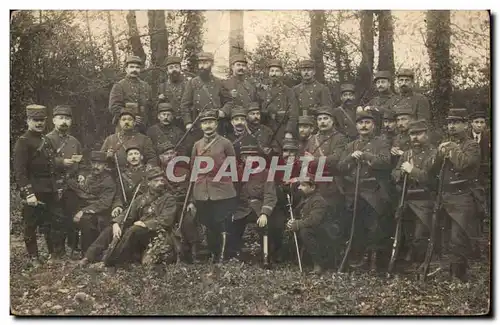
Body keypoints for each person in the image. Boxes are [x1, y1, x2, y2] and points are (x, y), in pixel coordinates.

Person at [81, 167, 178, 267]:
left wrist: (145, 224)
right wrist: (116, 223)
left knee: (133, 229)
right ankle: (88, 257)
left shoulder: (169, 199)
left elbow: (166, 219)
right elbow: (128, 214)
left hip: (157, 234)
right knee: (111, 229)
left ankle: (108, 262)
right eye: (156, 181)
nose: (160, 183)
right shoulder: (141, 198)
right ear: (149, 183)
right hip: (139, 234)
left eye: (162, 181)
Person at [337, 109, 392, 272]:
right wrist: (351, 157)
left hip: (373, 191)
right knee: (356, 227)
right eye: (361, 123)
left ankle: (374, 262)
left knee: (375, 227)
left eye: (368, 123)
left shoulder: (381, 143)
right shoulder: (350, 145)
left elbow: (385, 163)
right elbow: (340, 167)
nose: (364, 126)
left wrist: (367, 156)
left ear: (374, 126)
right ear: (356, 126)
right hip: (354, 191)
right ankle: (357, 260)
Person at [429, 108, 480, 281]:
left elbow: (463, 165)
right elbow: (432, 170)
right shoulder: (445, 144)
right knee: (446, 236)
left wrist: (452, 149)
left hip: (463, 196)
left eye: (456, 122)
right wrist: (438, 153)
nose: (452, 126)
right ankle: (450, 271)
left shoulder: (472, 145)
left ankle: (458, 275)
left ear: (465, 125)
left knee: (459, 236)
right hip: (445, 196)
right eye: (450, 122)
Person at [14, 104, 65, 265]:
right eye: (35, 120)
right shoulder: (23, 142)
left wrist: (55, 187)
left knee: (50, 223)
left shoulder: (46, 140)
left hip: (48, 189)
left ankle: (53, 255)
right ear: (28, 121)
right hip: (33, 190)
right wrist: (28, 193)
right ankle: (33, 256)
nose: (39, 124)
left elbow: (51, 166)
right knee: (31, 224)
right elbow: (20, 171)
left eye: (42, 120)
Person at [188, 109, 238, 262]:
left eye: (210, 122)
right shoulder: (197, 145)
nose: (208, 126)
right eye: (204, 123)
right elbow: (193, 168)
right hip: (202, 190)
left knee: (222, 223)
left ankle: (223, 255)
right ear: (201, 126)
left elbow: (233, 166)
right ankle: (211, 252)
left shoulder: (225, 143)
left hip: (222, 189)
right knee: (208, 223)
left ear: (216, 124)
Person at [391, 119, 438, 268]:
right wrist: (400, 173)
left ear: (427, 134)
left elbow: (431, 179)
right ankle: (409, 262)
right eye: (412, 134)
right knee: (407, 233)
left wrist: (412, 171)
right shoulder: (406, 154)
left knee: (420, 235)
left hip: (425, 200)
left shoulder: (434, 154)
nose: (415, 137)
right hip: (407, 199)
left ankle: (421, 263)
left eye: (419, 133)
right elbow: (394, 173)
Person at [230, 141, 281, 267]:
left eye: (252, 156)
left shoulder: (266, 173)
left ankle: (267, 255)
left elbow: (270, 195)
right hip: (242, 208)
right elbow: (232, 192)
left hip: (259, 208)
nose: (248, 159)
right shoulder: (239, 173)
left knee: (268, 225)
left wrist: (264, 213)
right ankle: (236, 254)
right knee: (232, 224)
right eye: (245, 156)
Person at [45, 105, 83, 254]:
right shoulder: (47, 139)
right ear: (54, 120)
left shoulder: (74, 141)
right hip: (53, 184)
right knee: (56, 218)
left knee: (72, 216)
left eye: (67, 118)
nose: (64, 122)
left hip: (72, 185)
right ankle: (57, 251)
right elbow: (42, 162)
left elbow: (82, 163)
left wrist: (81, 173)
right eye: (60, 118)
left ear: (71, 121)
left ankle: (73, 248)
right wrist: (61, 162)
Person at [70, 151, 116, 255]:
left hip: (103, 211)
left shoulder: (108, 180)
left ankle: (88, 254)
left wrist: (83, 211)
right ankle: (75, 248)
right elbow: (84, 193)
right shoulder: (89, 176)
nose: (96, 166)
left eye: (99, 164)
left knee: (87, 220)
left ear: (105, 165)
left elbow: (104, 203)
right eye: (94, 163)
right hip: (88, 207)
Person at [180, 52, 230, 145]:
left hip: (217, 124)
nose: (202, 66)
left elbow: (229, 101)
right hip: (198, 125)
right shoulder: (192, 83)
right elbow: (184, 105)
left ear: (212, 64)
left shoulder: (219, 82)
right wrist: (188, 123)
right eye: (200, 63)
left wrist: (223, 111)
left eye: (206, 63)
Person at [287, 176, 332, 274]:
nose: (299, 188)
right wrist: (292, 221)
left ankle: (318, 264)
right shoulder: (305, 198)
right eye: (299, 185)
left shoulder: (318, 200)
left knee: (305, 232)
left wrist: (298, 224)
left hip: (324, 232)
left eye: (303, 185)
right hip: (312, 228)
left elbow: (314, 220)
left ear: (313, 187)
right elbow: (300, 215)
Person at [109, 55, 153, 134]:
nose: (134, 70)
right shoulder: (119, 86)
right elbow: (114, 107)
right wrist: (131, 117)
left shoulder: (146, 86)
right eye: (131, 67)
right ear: (126, 69)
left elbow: (150, 107)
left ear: (140, 69)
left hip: (143, 128)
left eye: (137, 67)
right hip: (124, 127)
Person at [260, 59, 299, 148]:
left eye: (277, 71)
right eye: (272, 71)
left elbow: (294, 113)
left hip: (282, 128)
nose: (274, 74)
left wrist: (289, 131)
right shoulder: (262, 91)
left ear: (282, 73)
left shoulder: (288, 91)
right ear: (268, 73)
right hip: (266, 129)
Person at [110, 146, 148, 221]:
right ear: (127, 159)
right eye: (130, 154)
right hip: (128, 210)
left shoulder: (149, 172)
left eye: (136, 154)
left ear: (142, 157)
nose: (133, 157)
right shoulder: (123, 176)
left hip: (146, 209)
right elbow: (118, 195)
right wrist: (117, 206)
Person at [468, 109, 491, 233]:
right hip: (469, 174)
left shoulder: (489, 138)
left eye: (482, 122)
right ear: (471, 123)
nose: (479, 125)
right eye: (476, 122)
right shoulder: (466, 137)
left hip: (485, 174)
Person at [157, 56, 187, 129]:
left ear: (180, 69)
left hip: (185, 121)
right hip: (169, 121)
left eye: (176, 67)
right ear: (167, 71)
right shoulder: (162, 87)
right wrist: (159, 99)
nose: (174, 70)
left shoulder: (187, 85)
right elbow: (158, 107)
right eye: (171, 68)